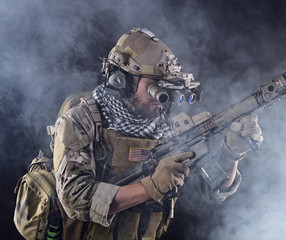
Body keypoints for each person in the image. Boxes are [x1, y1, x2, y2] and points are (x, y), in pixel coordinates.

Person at [52, 27, 263, 239]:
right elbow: (75, 198)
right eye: (154, 87)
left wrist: (231, 155)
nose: (162, 99)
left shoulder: (165, 128)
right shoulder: (82, 120)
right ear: (121, 80)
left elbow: (209, 191)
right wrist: (151, 186)